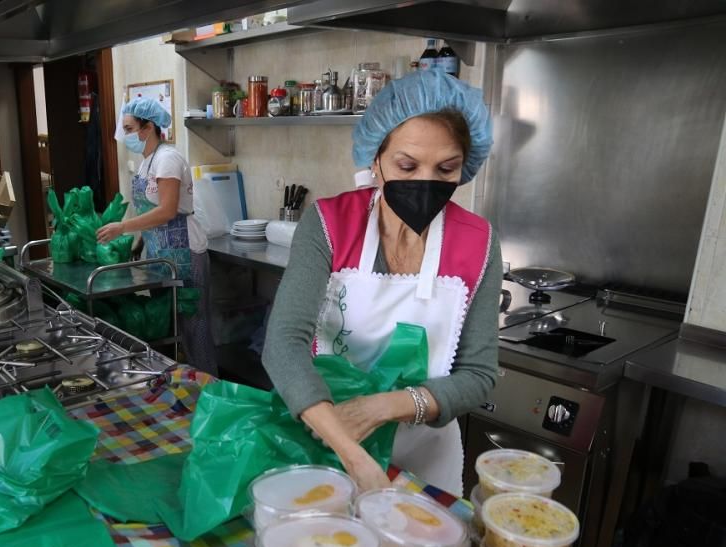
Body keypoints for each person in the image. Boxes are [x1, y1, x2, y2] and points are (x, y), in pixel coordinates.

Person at [262, 70, 500, 495]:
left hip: (426, 450)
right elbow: (283, 345)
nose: (424, 182)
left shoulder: (478, 243)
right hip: (328, 434)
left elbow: (479, 375)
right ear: (375, 159)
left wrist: (385, 407)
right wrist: (351, 450)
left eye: (446, 169)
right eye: (406, 165)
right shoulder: (330, 224)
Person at [97, 97, 217, 375]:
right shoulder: (146, 163)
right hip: (160, 257)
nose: (126, 136)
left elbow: (166, 211)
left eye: (129, 129)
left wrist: (123, 228)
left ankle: (211, 391)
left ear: (147, 127)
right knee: (171, 326)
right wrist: (138, 243)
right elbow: (150, 210)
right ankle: (183, 389)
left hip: (184, 253)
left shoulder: (168, 159)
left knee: (194, 326)